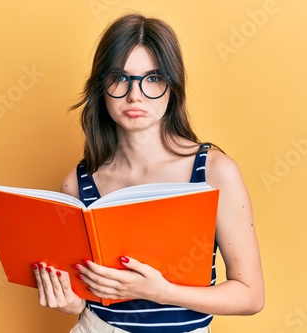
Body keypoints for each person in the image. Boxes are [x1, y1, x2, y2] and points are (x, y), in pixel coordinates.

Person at [31, 13, 264, 333]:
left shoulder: (214, 171)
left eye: (152, 78)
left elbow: (251, 296)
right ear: (101, 87)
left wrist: (160, 292)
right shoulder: (79, 181)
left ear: (172, 86)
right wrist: (69, 302)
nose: (135, 94)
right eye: (120, 78)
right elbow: (82, 297)